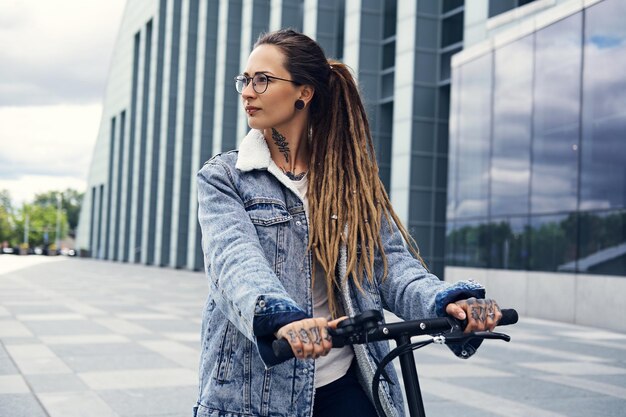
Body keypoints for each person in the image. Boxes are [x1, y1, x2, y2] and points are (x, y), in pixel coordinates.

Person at [195, 28, 502, 417]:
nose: (247, 91)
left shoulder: (347, 180)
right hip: (253, 393)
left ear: (304, 92)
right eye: (246, 79)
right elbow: (234, 261)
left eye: (263, 80)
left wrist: (450, 303)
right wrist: (281, 319)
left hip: (345, 380)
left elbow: (391, 266)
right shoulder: (225, 177)